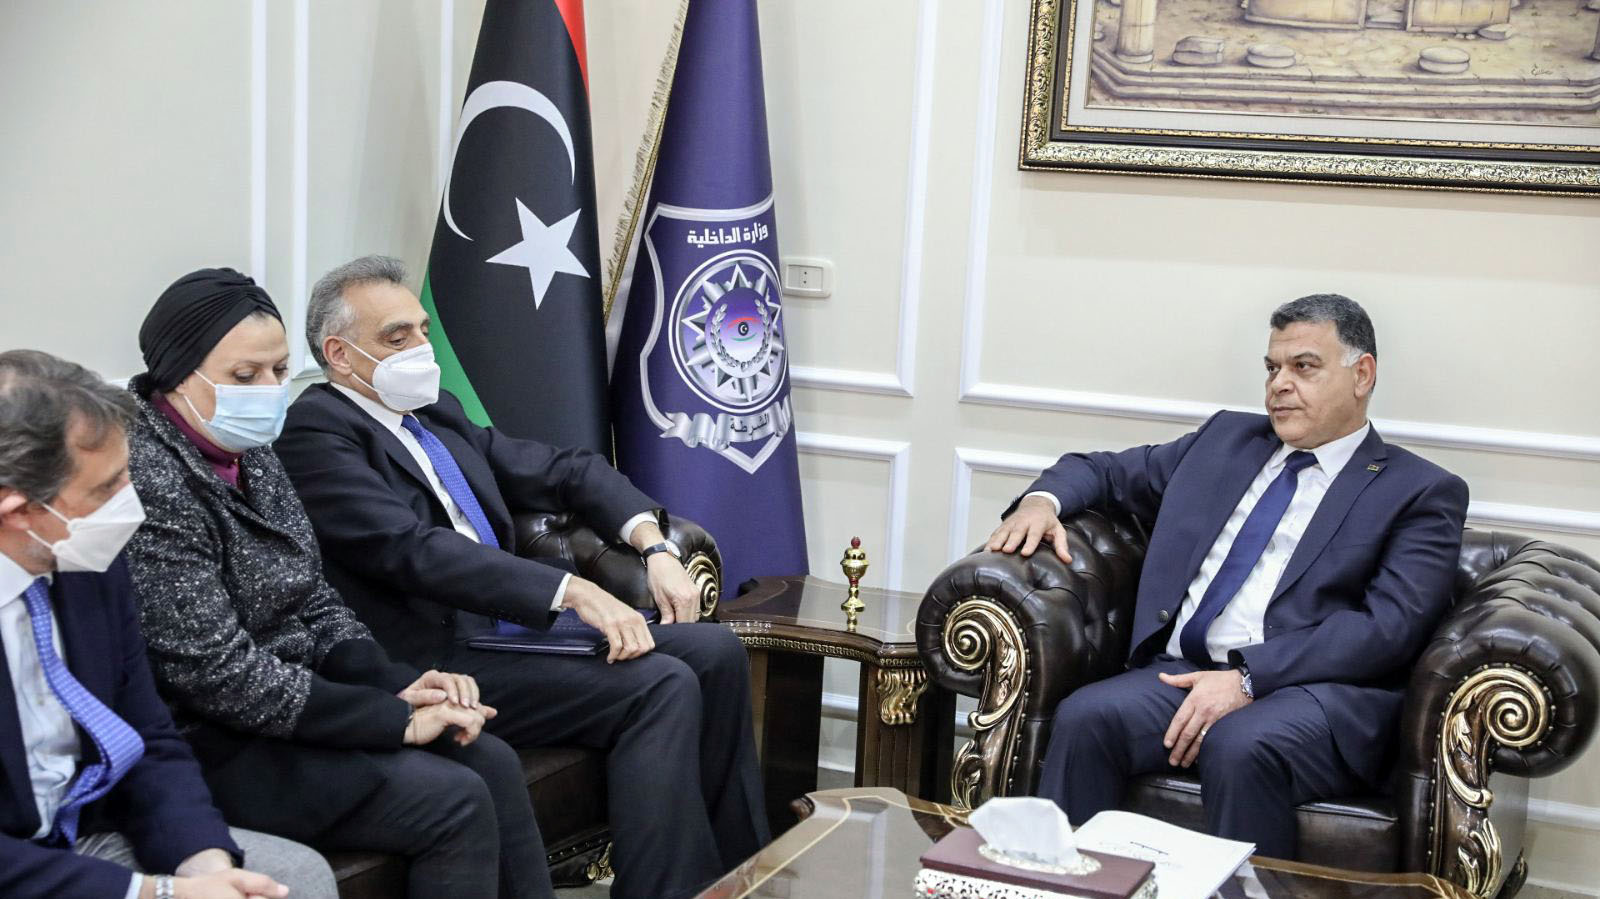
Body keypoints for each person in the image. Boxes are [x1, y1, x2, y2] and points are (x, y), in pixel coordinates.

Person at [275, 255, 769, 899]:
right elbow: (411, 549)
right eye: (397, 338)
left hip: (506, 631)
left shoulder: (434, 412)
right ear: (339, 355)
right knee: (659, 683)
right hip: (436, 656)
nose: (421, 348)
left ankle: (741, 876)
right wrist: (572, 590)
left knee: (716, 651)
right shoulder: (315, 433)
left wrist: (654, 546)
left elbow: (567, 469)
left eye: (422, 330)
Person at [121, 268, 554, 899]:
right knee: (452, 797)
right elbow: (217, 674)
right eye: (245, 375)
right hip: (212, 742)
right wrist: (391, 719)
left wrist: (395, 682)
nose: (269, 390)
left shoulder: (249, 448)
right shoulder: (144, 477)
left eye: (278, 370)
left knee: (486, 755)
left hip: (304, 706)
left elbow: (315, 596)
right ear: (177, 376)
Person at [987, 294, 1468, 859]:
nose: (1279, 385)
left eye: (1303, 367)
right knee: (1089, 717)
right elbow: (1101, 470)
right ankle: (1063, 883)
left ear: (1362, 375)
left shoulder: (1418, 490)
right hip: (1183, 672)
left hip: (1312, 693)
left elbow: (1389, 628)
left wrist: (1248, 679)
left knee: (1242, 745)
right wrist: (1040, 503)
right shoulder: (1225, 442)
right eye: (1272, 367)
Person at [0, 349, 336, 899]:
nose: (130, 503)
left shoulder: (88, 564)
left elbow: (146, 734)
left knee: (295, 880)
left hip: (82, 828)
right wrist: (154, 893)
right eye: (105, 489)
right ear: (18, 512)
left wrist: (201, 861)